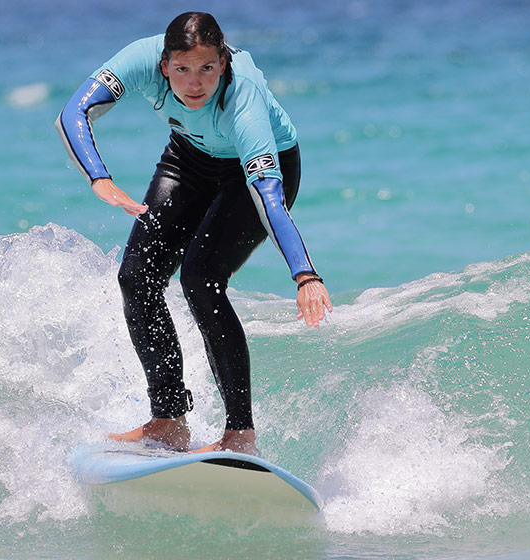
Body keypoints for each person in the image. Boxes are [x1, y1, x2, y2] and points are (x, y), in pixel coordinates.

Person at [56, 12, 332, 455]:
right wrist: (98, 177)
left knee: (200, 279)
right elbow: (73, 113)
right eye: (182, 70)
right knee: (137, 277)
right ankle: (168, 421)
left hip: (258, 172)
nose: (194, 84)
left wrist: (305, 274)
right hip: (189, 158)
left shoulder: (245, 102)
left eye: (207, 68)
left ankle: (240, 434)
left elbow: (268, 196)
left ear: (223, 61)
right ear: (164, 65)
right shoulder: (141, 60)